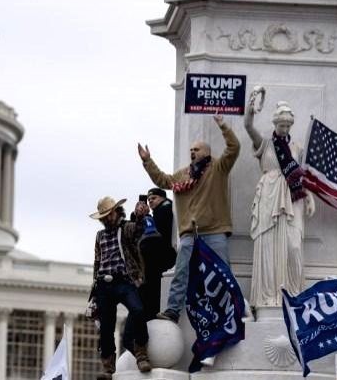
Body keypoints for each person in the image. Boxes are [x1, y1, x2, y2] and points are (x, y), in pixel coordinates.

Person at [137, 114, 240, 323]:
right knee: (181, 272)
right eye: (191, 150)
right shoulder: (183, 175)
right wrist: (147, 161)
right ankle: (173, 310)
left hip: (214, 230)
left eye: (197, 149)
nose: (193, 152)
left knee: (223, 272)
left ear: (207, 153)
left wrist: (222, 125)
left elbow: (234, 148)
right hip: (188, 234)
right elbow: (162, 180)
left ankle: (234, 308)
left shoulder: (218, 168)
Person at [244, 90, 315, 307]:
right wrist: (250, 109)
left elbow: (303, 175)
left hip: (293, 199)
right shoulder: (265, 144)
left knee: (293, 247)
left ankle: (292, 294)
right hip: (269, 195)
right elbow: (248, 126)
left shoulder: (297, 148)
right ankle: (269, 296)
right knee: (268, 247)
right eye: (281, 125)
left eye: (288, 126)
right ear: (275, 124)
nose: (284, 129)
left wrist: (310, 196)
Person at [89, 196, 155, 377]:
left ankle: (141, 354)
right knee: (106, 328)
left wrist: (141, 215)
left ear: (117, 212)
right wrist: (94, 290)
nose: (105, 219)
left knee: (138, 310)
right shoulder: (100, 236)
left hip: (124, 281)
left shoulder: (126, 228)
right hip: (104, 284)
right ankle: (108, 367)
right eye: (103, 217)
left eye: (108, 215)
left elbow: (139, 230)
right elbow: (97, 261)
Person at [139, 187, 177, 320]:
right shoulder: (163, 210)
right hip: (161, 260)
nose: (150, 202)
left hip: (160, 260)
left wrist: (147, 218)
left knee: (152, 297)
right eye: (148, 200)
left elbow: (155, 235)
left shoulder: (164, 209)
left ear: (163, 198)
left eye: (153, 198)